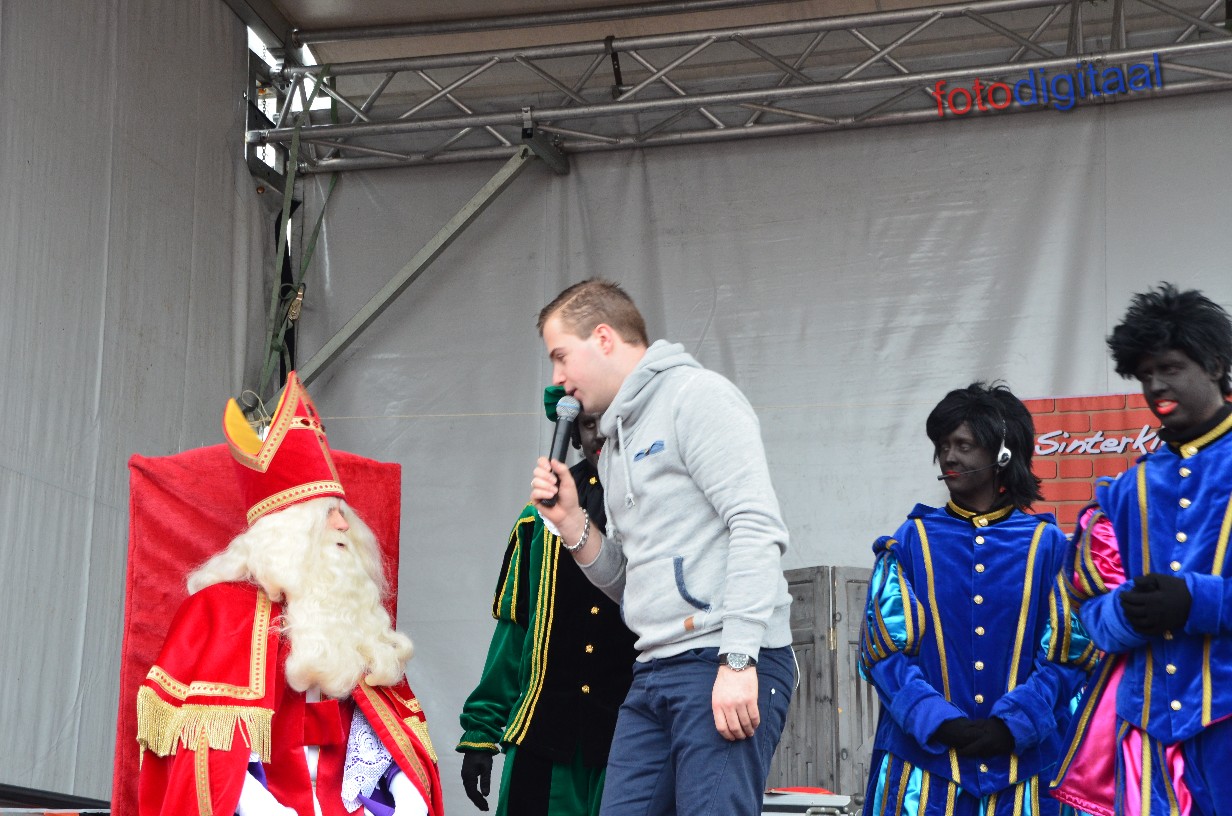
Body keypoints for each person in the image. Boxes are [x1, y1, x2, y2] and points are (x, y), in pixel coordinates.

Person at [529, 278, 795, 816]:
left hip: (722, 656)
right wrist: (573, 523)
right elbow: (632, 580)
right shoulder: (613, 444)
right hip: (653, 667)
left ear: (603, 338)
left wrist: (739, 657)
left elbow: (756, 524)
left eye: (560, 356)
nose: (557, 378)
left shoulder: (696, 396)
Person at [135, 372, 444, 816]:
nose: (344, 525)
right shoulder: (220, 610)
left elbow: (381, 731)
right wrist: (269, 810)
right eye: (329, 514)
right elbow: (208, 754)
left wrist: (407, 792)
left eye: (343, 513)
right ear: (288, 533)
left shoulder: (351, 614)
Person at [859, 383, 1095, 816]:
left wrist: (1015, 723)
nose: (949, 456)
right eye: (943, 445)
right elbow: (883, 652)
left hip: (1029, 775)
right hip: (925, 774)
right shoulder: (910, 541)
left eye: (963, 445)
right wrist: (937, 720)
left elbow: (1070, 654)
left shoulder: (1048, 546)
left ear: (1003, 454)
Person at [1059, 284, 1232, 816]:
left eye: (1171, 368)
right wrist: (1125, 613)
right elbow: (1087, 610)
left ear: (1216, 365)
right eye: (1145, 374)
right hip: (1149, 739)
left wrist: (1201, 602)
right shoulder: (1123, 491)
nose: (1156, 385)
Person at [456, 386, 638, 815]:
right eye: (588, 424)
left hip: (627, 737)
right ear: (573, 434)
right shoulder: (537, 519)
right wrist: (482, 730)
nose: (600, 434)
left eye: (609, 421)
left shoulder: (652, 506)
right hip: (543, 735)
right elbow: (513, 632)